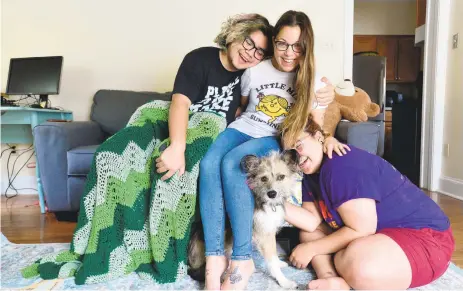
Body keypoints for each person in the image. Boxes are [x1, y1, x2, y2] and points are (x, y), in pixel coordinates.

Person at [199, 10, 347, 290]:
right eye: (282, 43)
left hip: (272, 136)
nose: (289, 53)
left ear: (306, 47)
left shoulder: (313, 82)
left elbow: (317, 123)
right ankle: (214, 258)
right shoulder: (255, 69)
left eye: (297, 46)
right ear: (273, 40)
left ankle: (242, 259)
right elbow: (242, 106)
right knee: (208, 163)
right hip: (242, 127)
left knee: (234, 162)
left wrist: (328, 136)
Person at [284, 115, 455, 290]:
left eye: (298, 145)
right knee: (308, 233)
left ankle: (346, 278)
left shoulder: (340, 164)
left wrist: (312, 249)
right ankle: (329, 277)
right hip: (376, 235)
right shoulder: (310, 174)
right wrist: (266, 200)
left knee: (355, 263)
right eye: (289, 153)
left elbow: (362, 229)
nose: (295, 158)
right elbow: (311, 222)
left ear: (318, 136)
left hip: (425, 239)